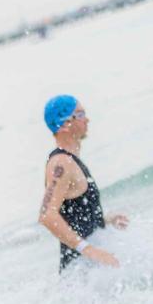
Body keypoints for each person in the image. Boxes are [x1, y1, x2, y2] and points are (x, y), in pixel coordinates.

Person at [37, 95, 129, 271]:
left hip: (87, 269)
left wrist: (105, 220)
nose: (87, 119)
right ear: (64, 124)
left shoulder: (71, 160)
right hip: (79, 272)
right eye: (80, 114)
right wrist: (89, 250)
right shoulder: (61, 163)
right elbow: (47, 215)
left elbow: (75, 215)